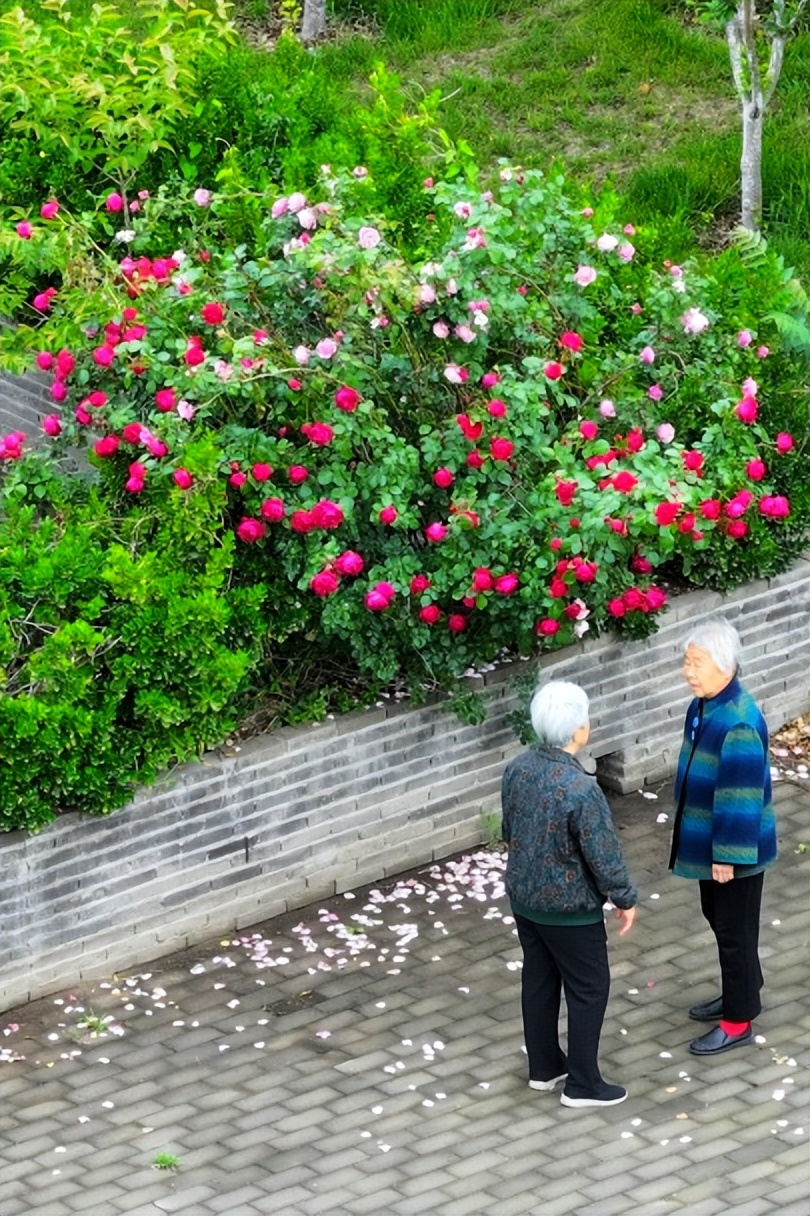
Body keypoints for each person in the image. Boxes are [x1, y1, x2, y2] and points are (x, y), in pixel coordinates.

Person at [501, 680, 637, 1108]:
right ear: (580, 730)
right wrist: (624, 897)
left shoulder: (517, 769)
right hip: (569, 910)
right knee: (588, 987)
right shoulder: (581, 789)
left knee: (539, 979)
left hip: (524, 899)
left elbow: (509, 830)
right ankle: (583, 1083)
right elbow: (602, 853)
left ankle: (544, 1068)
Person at [669, 617, 777, 1056]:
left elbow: (740, 797)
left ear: (724, 666)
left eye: (696, 663)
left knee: (734, 932)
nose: (688, 672)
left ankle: (738, 1021)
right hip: (711, 845)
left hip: (734, 852)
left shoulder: (739, 724)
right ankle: (744, 989)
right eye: (687, 662)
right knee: (721, 922)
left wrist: (727, 857)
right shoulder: (704, 705)